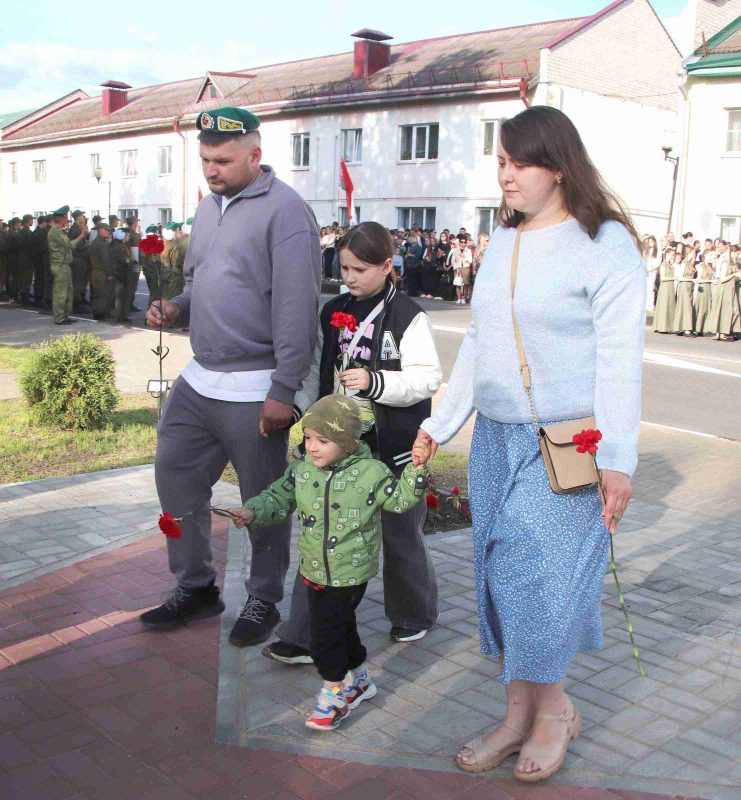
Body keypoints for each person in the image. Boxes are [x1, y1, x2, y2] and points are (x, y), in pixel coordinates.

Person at [413, 106, 644, 783]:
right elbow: (480, 344)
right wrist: (440, 423)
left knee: (528, 575)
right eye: (501, 164)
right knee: (497, 575)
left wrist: (617, 460)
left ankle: (549, 715)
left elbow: (618, 361)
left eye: (518, 163)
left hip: (571, 441)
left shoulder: (604, 245)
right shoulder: (503, 242)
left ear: (557, 164)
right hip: (496, 437)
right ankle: (522, 713)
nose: (504, 176)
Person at [141, 106, 321, 647]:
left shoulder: (287, 212)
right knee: (175, 477)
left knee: (262, 502)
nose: (211, 169)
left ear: (255, 155)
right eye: (204, 159)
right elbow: (201, 284)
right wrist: (178, 307)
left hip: (255, 386)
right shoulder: (208, 209)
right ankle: (196, 587)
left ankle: (264, 597)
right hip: (200, 380)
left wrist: (283, 391)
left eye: (222, 159)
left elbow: (297, 309)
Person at [263, 220, 442, 666]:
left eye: (361, 269)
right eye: (344, 267)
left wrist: (375, 381)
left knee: (401, 533)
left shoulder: (408, 314)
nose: (350, 278)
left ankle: (413, 612)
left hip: (391, 445)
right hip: (338, 448)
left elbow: (427, 379)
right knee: (323, 533)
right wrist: (303, 412)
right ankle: (303, 634)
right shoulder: (333, 311)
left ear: (387, 266)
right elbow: (315, 373)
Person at [229, 395, 429, 730]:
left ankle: (334, 691)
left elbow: (400, 500)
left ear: (348, 442)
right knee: (342, 627)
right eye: (308, 438)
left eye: (323, 440)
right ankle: (361, 680)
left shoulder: (371, 473)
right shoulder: (302, 472)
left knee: (324, 636)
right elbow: (276, 497)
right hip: (314, 568)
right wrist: (252, 511)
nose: (313, 447)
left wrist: (416, 470)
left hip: (351, 572)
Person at [48, 206, 85, 325]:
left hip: (64, 265)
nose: (67, 220)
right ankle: (59, 318)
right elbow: (70, 244)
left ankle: (65, 315)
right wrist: (82, 235)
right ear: (62, 218)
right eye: (65, 218)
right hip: (59, 265)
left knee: (68, 292)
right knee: (60, 292)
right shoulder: (55, 231)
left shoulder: (60, 230)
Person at [708, 241, 740, 341]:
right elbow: (722, 278)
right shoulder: (725, 263)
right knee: (725, 310)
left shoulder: (732, 263)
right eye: (736, 253)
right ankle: (721, 333)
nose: (737, 256)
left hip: (731, 288)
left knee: (734, 311)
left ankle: (728, 331)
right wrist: (734, 275)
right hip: (725, 288)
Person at [88, 223, 115, 320]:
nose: (109, 233)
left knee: (96, 293)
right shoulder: (103, 244)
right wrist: (109, 274)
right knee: (103, 294)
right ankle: (101, 313)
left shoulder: (94, 242)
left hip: (94, 271)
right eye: (107, 231)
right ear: (101, 231)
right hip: (102, 272)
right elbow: (106, 260)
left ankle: (96, 312)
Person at [69, 210, 90, 310]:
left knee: (80, 281)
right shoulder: (75, 229)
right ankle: (76, 304)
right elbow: (76, 245)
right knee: (77, 281)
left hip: (80, 257)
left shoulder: (78, 228)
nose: (83, 217)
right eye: (82, 216)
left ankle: (78, 301)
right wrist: (86, 246)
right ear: (78, 218)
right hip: (77, 258)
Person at [673, 244, 696, 336]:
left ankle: (682, 327)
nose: (694, 256)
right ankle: (686, 329)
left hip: (688, 286)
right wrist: (691, 280)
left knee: (686, 306)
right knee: (686, 307)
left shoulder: (690, 263)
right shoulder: (684, 263)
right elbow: (680, 277)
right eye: (692, 254)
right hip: (684, 286)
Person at [653, 248, 677, 333]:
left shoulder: (670, 265)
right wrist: (673, 278)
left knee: (670, 306)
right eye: (671, 254)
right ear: (667, 254)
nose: (672, 256)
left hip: (670, 287)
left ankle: (669, 326)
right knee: (664, 306)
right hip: (665, 287)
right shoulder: (663, 265)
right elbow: (663, 278)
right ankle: (661, 326)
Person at [111, 229, 132, 323]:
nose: (128, 237)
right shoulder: (122, 247)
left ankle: (120, 315)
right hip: (122, 272)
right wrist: (132, 261)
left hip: (116, 271)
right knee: (122, 296)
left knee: (119, 295)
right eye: (126, 235)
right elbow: (126, 260)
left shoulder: (114, 245)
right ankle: (121, 316)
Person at [141, 224, 162, 305]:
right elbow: (156, 259)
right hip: (154, 271)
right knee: (155, 294)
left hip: (147, 270)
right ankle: (150, 314)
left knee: (152, 292)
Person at [16, 214, 35, 306]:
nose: (32, 222)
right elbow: (30, 246)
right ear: (28, 221)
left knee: (23, 279)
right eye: (31, 220)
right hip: (27, 259)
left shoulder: (20, 231)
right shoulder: (27, 232)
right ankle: (25, 299)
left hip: (22, 258)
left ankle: (23, 298)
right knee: (26, 279)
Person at [693, 251, 714, 335]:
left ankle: (705, 328)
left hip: (708, 288)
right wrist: (709, 281)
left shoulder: (709, 266)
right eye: (709, 255)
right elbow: (699, 279)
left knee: (707, 308)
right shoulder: (701, 266)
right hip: (703, 287)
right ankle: (697, 328)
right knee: (701, 307)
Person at [125, 216, 142, 312]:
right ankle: (129, 305)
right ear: (134, 223)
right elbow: (136, 247)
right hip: (134, 261)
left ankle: (128, 305)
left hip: (129, 260)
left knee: (130, 285)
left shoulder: (126, 232)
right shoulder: (134, 234)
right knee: (132, 285)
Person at [641, 235, 660, 311]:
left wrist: (650, 269)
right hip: (646, 271)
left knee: (651, 288)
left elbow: (657, 262)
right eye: (649, 242)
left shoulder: (657, 251)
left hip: (652, 271)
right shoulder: (647, 251)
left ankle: (650, 305)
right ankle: (645, 305)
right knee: (646, 287)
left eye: (652, 242)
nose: (651, 243)